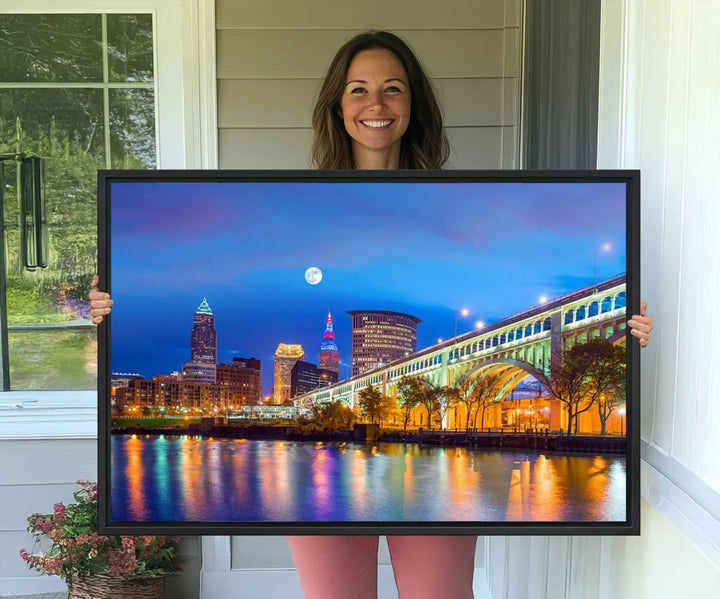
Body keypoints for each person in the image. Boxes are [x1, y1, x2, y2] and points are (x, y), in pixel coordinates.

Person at [89, 30, 653, 599]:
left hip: (429, 486)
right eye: (358, 90)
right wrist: (110, 307)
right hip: (332, 487)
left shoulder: (454, 202)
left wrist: (628, 339)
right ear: (338, 105)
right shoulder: (297, 203)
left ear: (413, 106)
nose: (376, 105)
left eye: (392, 89)